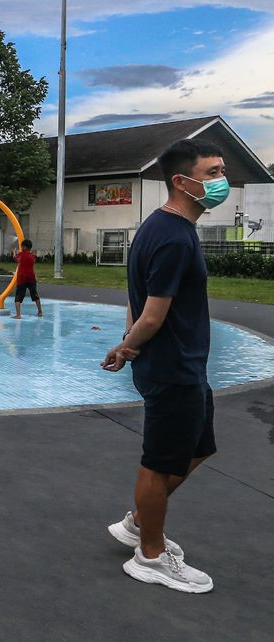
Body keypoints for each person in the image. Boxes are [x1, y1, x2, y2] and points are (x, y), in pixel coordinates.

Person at [101, 139, 226, 594]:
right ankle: (149, 555)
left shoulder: (157, 228)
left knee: (199, 447)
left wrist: (127, 344)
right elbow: (152, 314)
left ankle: (139, 520)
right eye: (211, 173)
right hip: (172, 368)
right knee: (158, 462)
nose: (220, 181)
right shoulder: (172, 237)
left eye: (220, 171)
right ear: (181, 180)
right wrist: (129, 346)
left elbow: (137, 300)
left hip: (184, 365)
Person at [12, 239, 43, 319]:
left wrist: (14, 253)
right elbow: (33, 264)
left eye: (22, 246)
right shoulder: (32, 256)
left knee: (18, 297)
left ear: (24, 247)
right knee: (35, 295)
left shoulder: (21, 254)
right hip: (31, 278)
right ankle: (40, 311)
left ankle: (18, 315)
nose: (21, 247)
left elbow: (16, 259)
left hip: (22, 278)